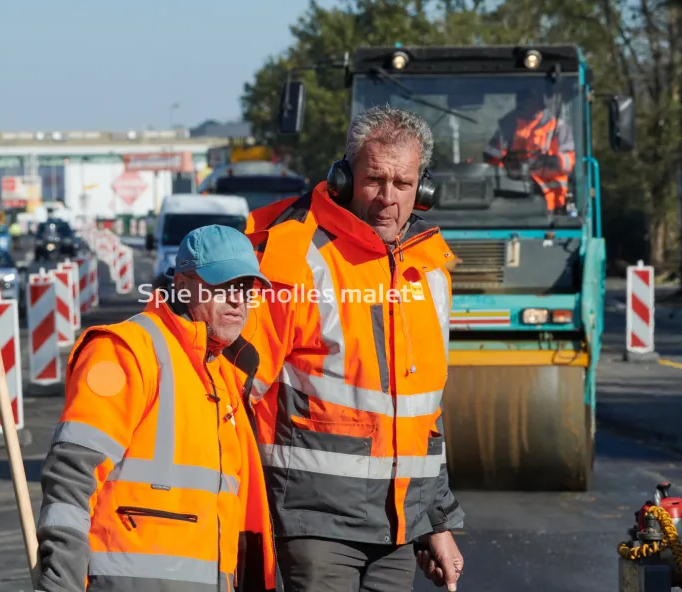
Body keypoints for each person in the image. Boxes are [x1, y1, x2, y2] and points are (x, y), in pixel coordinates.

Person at [240, 104, 465, 591]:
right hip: (313, 524)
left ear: (423, 189)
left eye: (403, 184)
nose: (388, 198)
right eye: (374, 180)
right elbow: (234, 394)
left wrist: (436, 521)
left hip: (398, 532)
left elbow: (423, 415)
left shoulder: (429, 273)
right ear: (342, 178)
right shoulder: (294, 259)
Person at [35, 225, 278, 592]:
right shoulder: (126, 352)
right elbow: (71, 479)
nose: (237, 299)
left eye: (246, 289)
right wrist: (60, 583)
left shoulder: (224, 374)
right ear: (182, 284)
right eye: (223, 285)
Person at [483, 87, 576, 213]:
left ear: (539, 100)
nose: (523, 101)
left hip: (552, 203)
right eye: (521, 98)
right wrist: (508, 164)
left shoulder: (558, 128)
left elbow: (569, 162)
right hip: (512, 199)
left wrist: (551, 161)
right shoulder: (507, 126)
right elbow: (491, 159)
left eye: (529, 97)